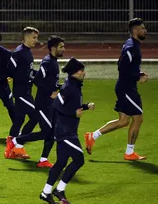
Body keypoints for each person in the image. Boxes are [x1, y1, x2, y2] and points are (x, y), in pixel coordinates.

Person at [84, 18, 148, 161]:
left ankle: (92, 136)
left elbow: (127, 66)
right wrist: (138, 77)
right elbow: (122, 66)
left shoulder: (132, 44)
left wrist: (138, 73)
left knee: (124, 121)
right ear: (136, 30)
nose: (145, 31)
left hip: (125, 86)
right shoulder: (132, 46)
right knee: (138, 118)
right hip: (127, 88)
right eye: (143, 28)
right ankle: (129, 153)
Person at [40, 58, 95, 204]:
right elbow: (56, 105)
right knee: (79, 159)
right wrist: (73, 114)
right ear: (77, 72)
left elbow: (71, 106)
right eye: (82, 70)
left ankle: (46, 192)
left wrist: (85, 107)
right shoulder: (69, 87)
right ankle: (59, 190)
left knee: (61, 162)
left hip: (68, 130)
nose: (84, 73)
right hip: (65, 132)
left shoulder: (74, 86)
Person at [5, 35, 65, 168]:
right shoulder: (48, 62)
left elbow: (47, 82)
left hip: (49, 103)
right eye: (61, 47)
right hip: (43, 103)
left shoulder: (53, 62)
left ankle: (43, 159)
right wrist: (50, 93)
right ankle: (16, 141)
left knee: (50, 132)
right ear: (53, 48)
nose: (63, 49)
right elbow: (38, 80)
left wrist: (60, 87)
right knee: (46, 131)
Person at [4, 27, 39, 159]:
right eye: (34, 37)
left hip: (25, 91)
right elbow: (10, 69)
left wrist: (38, 75)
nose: (36, 40)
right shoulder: (19, 52)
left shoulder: (27, 52)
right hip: (22, 92)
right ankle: (17, 146)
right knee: (36, 117)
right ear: (26, 38)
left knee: (19, 120)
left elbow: (27, 71)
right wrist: (18, 78)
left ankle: (10, 149)